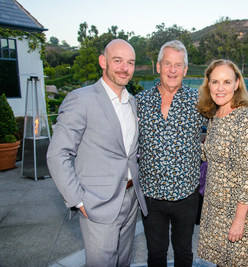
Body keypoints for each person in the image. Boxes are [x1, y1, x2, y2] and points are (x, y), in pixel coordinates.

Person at [47, 39, 147, 267]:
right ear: (103, 62)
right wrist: (78, 200)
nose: (125, 67)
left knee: (123, 262)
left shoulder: (131, 101)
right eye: (118, 60)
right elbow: (57, 154)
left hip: (131, 200)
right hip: (98, 204)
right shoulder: (81, 99)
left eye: (130, 62)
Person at [135, 40, 207, 267]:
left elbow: (220, 126)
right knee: (155, 254)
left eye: (178, 65)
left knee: (184, 252)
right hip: (151, 196)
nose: (173, 70)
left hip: (187, 195)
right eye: (168, 64)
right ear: (158, 66)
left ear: (185, 70)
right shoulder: (139, 102)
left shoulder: (199, 101)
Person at [197, 59, 248, 266]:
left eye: (226, 82)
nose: (220, 88)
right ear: (208, 85)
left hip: (235, 210)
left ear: (237, 83)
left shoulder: (245, 118)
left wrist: (239, 220)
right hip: (214, 208)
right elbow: (208, 155)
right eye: (215, 82)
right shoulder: (215, 115)